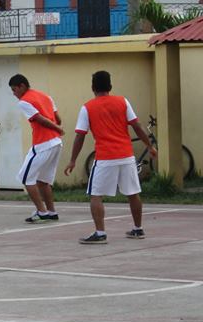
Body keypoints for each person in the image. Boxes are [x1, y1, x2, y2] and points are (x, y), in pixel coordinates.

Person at [63, 70, 156, 244]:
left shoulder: (87, 107)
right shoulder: (123, 102)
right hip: (126, 155)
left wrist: (73, 160)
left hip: (105, 157)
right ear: (110, 86)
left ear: (92, 88)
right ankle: (138, 229)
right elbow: (137, 125)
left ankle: (100, 233)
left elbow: (80, 135)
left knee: (95, 195)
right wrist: (149, 146)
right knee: (133, 192)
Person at [8, 74, 64, 223]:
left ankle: (42, 212)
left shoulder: (24, 102)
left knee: (26, 178)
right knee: (43, 181)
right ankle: (51, 211)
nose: (14, 94)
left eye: (14, 90)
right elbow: (57, 118)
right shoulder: (46, 96)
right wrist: (57, 128)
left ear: (22, 86)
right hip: (56, 143)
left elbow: (40, 119)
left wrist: (56, 128)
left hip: (43, 144)